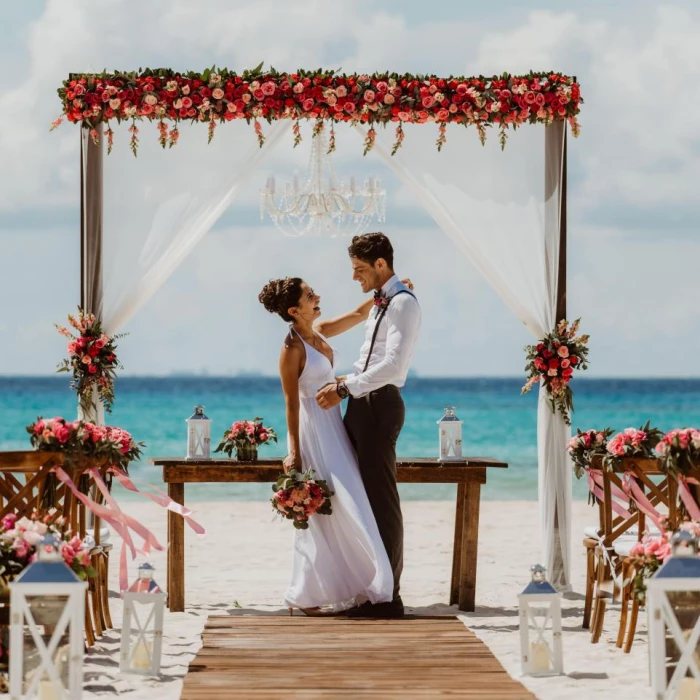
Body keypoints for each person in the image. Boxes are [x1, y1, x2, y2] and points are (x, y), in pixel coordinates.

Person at [258, 276, 394, 615]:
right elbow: (291, 403)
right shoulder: (291, 349)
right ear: (294, 310)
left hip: (335, 426)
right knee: (329, 509)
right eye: (309, 295)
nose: (317, 296)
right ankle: (310, 594)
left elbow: (358, 314)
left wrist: (388, 290)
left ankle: (359, 583)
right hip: (314, 431)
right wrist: (294, 451)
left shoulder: (317, 332)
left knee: (351, 503)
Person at [316, 232, 421, 619]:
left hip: (379, 406)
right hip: (361, 402)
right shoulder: (381, 303)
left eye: (360, 270)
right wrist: (346, 383)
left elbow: (394, 366)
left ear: (381, 264)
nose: (355, 277)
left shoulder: (404, 305)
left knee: (381, 500)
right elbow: (370, 359)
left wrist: (344, 388)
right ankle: (370, 588)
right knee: (358, 499)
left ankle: (389, 599)